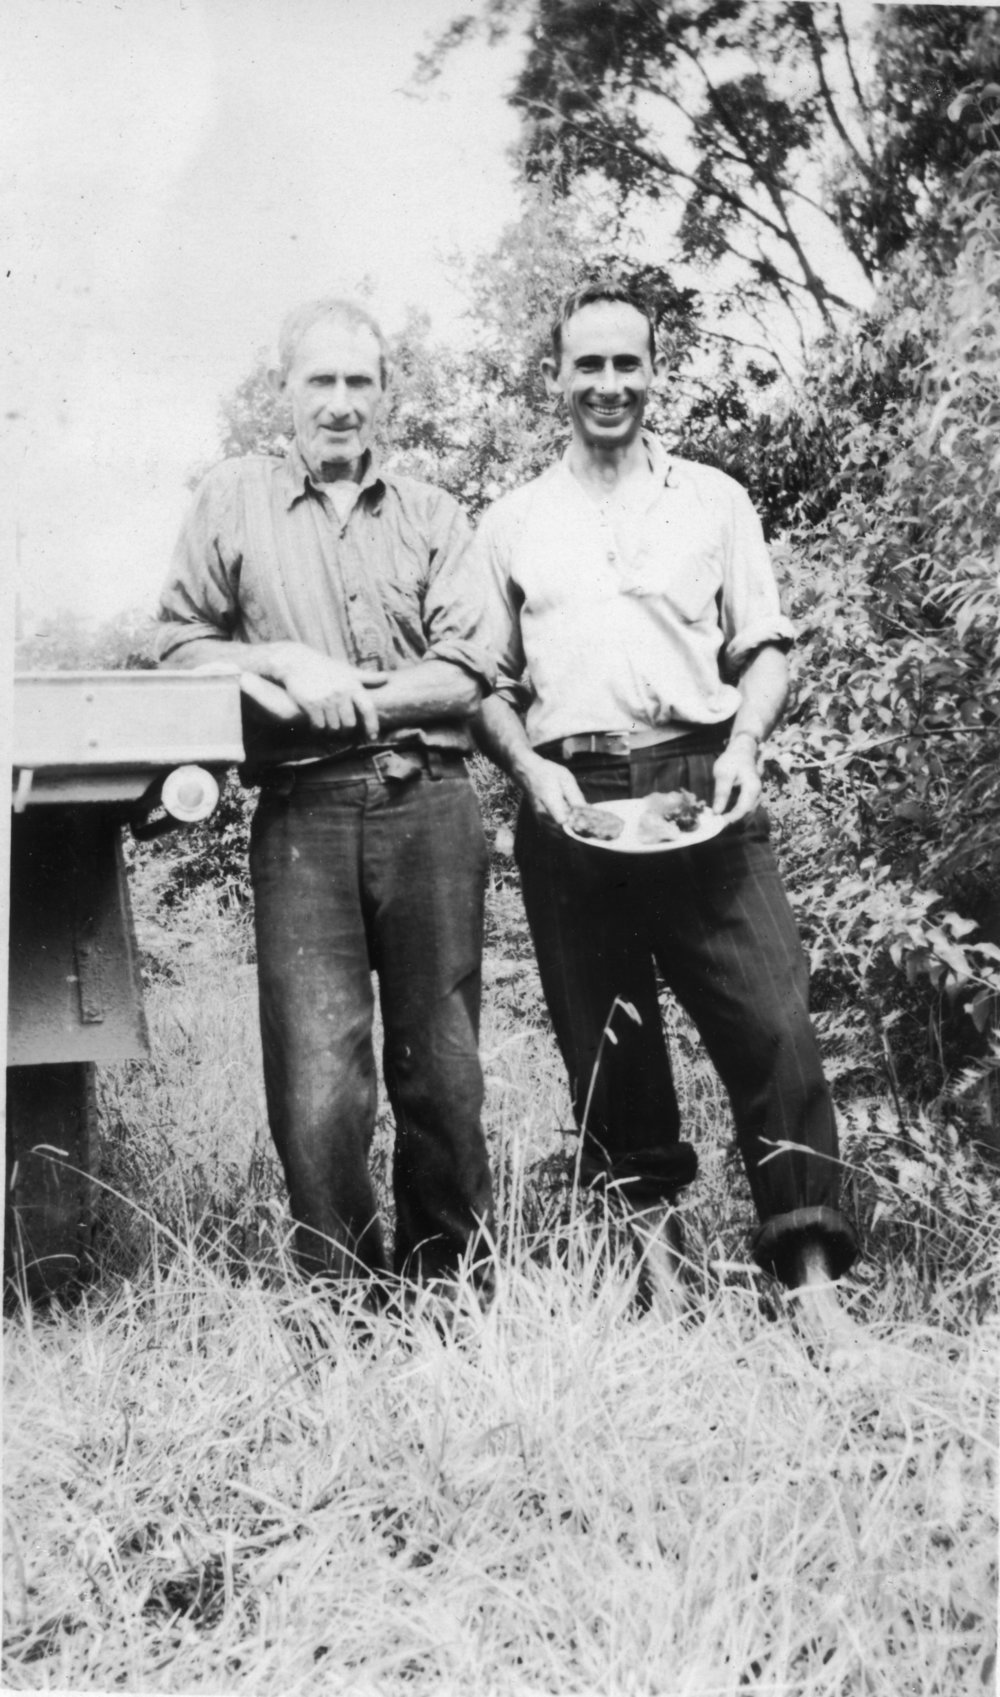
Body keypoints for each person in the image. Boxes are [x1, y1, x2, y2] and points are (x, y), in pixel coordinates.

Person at [472, 278, 858, 1336]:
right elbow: (484, 684)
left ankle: (811, 1276)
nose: (607, 383)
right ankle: (656, 1278)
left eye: (625, 362)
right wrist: (529, 770)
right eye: (585, 363)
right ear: (555, 376)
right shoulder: (511, 522)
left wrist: (743, 741)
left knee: (773, 1024)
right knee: (609, 1044)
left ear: (654, 370)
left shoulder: (714, 499)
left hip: (702, 784)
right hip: (573, 803)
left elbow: (763, 647)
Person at [155, 297, 496, 1304]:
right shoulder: (232, 499)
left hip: (430, 802)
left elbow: (469, 667)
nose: (341, 404)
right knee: (315, 1076)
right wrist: (279, 660)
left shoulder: (436, 513)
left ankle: (449, 1288)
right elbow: (179, 644)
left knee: (440, 1066)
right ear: (283, 392)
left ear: (386, 395)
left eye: (360, 382)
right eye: (321, 381)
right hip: (300, 813)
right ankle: (341, 1298)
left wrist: (340, 698)